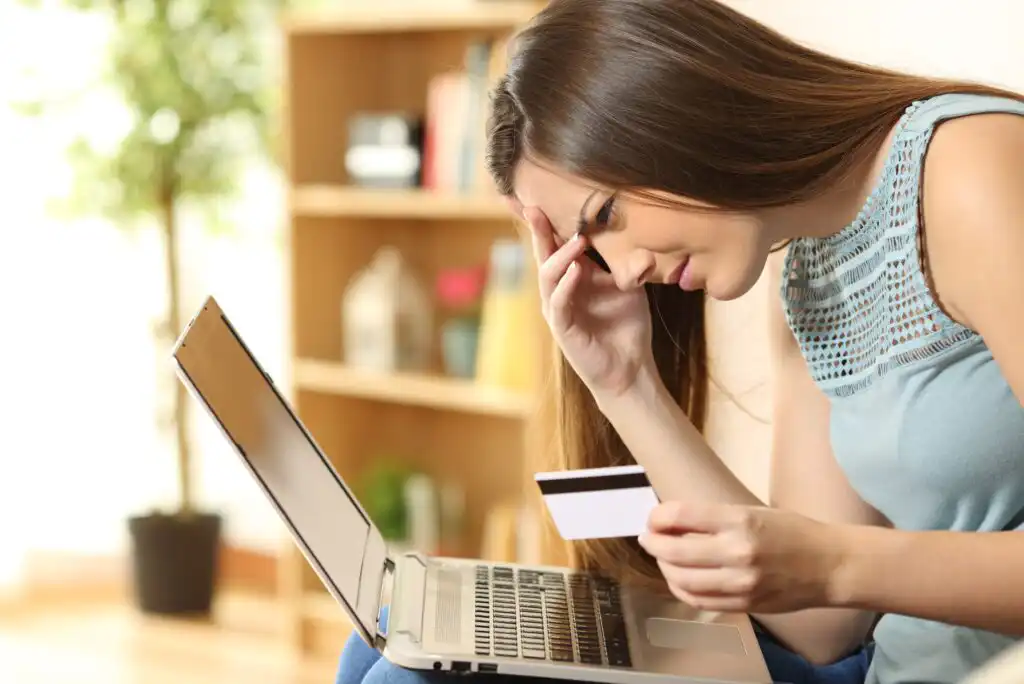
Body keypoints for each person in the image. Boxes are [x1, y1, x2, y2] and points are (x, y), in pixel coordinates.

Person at [335, 1, 1024, 683]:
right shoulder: (807, 268)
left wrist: (835, 562)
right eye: (595, 247)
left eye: (607, 214)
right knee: (388, 640)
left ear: (678, 113)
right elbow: (820, 624)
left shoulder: (971, 172)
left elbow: (829, 574)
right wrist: (626, 382)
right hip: (888, 667)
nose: (629, 269)